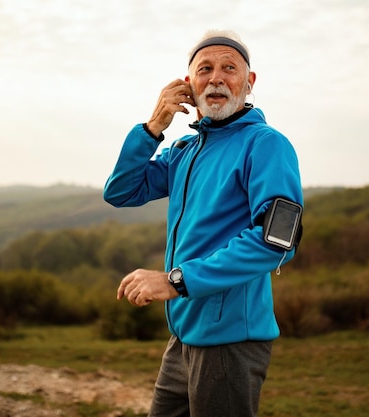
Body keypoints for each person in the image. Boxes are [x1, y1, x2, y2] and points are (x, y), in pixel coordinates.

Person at [103, 29, 303, 417]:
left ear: (249, 82)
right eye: (205, 69)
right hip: (183, 336)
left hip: (230, 341)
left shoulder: (265, 144)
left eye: (229, 68)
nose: (216, 78)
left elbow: (276, 240)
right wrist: (154, 125)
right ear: (188, 84)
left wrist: (175, 280)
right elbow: (121, 191)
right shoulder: (184, 151)